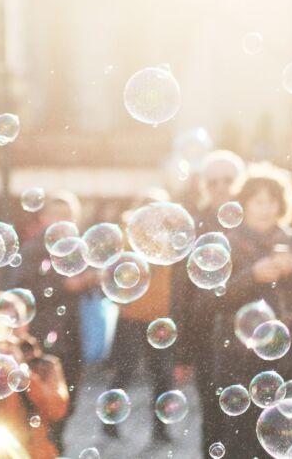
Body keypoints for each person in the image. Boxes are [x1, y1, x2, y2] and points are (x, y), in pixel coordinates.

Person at [211, 165, 292, 458]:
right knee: (238, 437)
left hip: (285, 355)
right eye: (258, 201)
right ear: (244, 204)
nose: (266, 208)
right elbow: (209, 299)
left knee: (281, 435)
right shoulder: (228, 242)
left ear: (282, 205)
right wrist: (250, 276)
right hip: (237, 354)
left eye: (272, 201)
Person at [4, 189, 90, 450]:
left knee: (69, 394)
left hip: (71, 333)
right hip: (41, 334)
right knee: (43, 397)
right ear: (44, 219)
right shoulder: (32, 250)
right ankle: (47, 445)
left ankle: (56, 439)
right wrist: (67, 285)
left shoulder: (76, 250)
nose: (63, 221)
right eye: (57, 215)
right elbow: (19, 290)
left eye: (68, 216)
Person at [173, 149, 245, 452]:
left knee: (250, 419)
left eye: (227, 180)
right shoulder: (194, 226)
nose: (220, 187)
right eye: (213, 181)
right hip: (207, 338)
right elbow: (181, 294)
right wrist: (181, 353)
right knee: (213, 417)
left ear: (241, 182)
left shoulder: (256, 221)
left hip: (251, 334)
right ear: (203, 185)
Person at [103, 189, 174, 444]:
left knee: (163, 376)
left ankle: (161, 429)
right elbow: (115, 270)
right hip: (131, 315)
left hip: (159, 317)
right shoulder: (126, 235)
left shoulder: (170, 239)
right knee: (124, 372)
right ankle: (109, 422)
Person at [0, 290, 69, 459]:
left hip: (35, 452)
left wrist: (22, 371)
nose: (3, 336)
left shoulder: (44, 365)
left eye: (8, 327)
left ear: (23, 327)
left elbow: (57, 410)